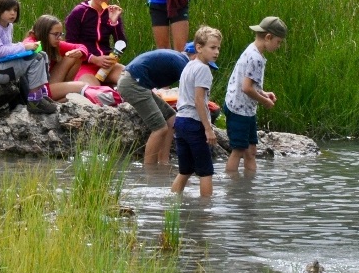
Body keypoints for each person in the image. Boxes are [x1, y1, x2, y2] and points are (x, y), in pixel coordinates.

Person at [118, 41, 214, 166]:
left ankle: (163, 162)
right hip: (133, 84)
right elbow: (195, 98)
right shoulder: (184, 65)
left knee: (172, 119)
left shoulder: (179, 59)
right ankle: (150, 171)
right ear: (195, 56)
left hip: (136, 82)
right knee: (159, 128)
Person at [0, 0, 58, 115]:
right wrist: (24, 47)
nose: (12, 13)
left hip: (3, 65)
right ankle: (34, 101)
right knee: (36, 59)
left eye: (15, 10)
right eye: (8, 10)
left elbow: (8, 48)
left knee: (42, 55)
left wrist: (26, 49)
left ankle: (41, 94)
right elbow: (0, 52)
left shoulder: (8, 26)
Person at [224, 17, 286, 175]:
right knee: (238, 150)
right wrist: (264, 101)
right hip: (239, 109)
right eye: (278, 42)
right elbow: (246, 88)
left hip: (245, 109)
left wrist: (263, 92)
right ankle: (233, 188)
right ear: (268, 37)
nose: (278, 46)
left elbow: (249, 83)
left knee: (251, 150)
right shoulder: (256, 58)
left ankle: (249, 188)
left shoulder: (252, 50)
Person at [171, 26, 222, 198]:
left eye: (218, 48)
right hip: (193, 122)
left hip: (180, 121)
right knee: (206, 171)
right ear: (199, 47)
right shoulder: (203, 69)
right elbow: (199, 100)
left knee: (185, 170)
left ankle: (172, 202)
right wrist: (208, 128)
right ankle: (206, 213)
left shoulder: (189, 65)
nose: (216, 52)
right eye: (212, 47)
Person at [65, 0, 127, 85]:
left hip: (107, 65)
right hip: (84, 64)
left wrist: (114, 23)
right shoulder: (79, 12)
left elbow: (122, 44)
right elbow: (69, 45)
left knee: (133, 81)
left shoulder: (111, 12)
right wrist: (93, 59)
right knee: (97, 93)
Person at [30, 14, 89, 101]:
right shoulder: (32, 44)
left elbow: (81, 47)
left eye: (61, 34)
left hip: (49, 84)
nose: (59, 38)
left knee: (75, 55)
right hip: (37, 90)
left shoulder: (55, 44)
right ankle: (59, 98)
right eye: (56, 34)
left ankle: (60, 97)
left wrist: (80, 52)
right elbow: (30, 49)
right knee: (82, 86)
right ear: (44, 33)